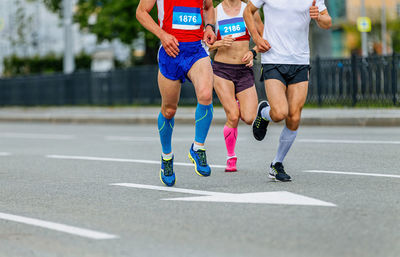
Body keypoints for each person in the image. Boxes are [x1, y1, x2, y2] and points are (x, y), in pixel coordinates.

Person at [243, 0, 331, 181]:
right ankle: (264, 112)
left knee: (294, 116)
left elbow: (327, 22)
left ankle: (277, 163)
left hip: (300, 61)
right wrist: (257, 38)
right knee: (280, 113)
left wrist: (318, 17)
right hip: (273, 59)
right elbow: (248, 11)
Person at [136, 0, 217, 186]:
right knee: (169, 110)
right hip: (170, 52)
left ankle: (198, 148)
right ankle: (166, 157)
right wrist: (162, 35)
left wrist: (210, 27)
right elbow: (141, 12)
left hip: (196, 50)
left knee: (205, 94)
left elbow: (209, 6)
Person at [207, 0, 263, 172]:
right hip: (222, 70)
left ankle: (239, 105)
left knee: (248, 118)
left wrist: (252, 52)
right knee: (232, 116)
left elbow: (264, 38)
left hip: (244, 70)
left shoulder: (250, 9)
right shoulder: (215, 12)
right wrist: (218, 44)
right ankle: (231, 157)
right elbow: (205, 45)